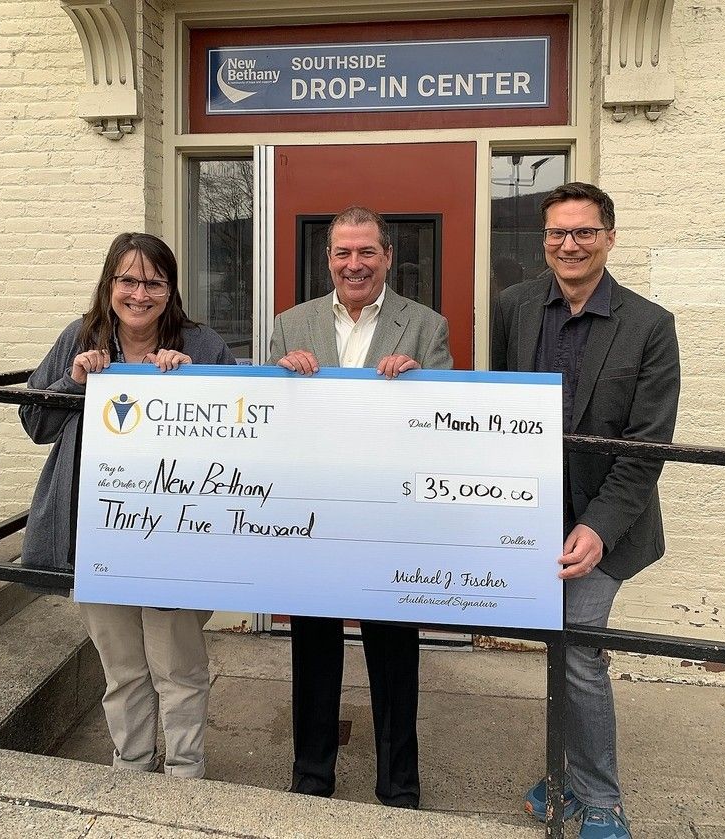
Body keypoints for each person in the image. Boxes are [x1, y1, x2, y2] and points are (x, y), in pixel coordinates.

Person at [492, 183, 681, 839]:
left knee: (575, 650)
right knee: (554, 647)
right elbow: (497, 410)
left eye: (582, 232)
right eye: (555, 234)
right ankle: (564, 770)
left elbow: (647, 446)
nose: (568, 245)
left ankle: (600, 798)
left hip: (607, 522)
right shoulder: (514, 307)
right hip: (530, 518)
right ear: (543, 241)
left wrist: (596, 527)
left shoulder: (650, 325)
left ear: (609, 236)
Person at [20, 232, 236, 779]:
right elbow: (34, 424)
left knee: (178, 666)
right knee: (121, 667)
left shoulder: (203, 345)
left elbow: (237, 436)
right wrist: (72, 385)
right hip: (97, 532)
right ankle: (131, 768)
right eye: (128, 280)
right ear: (109, 285)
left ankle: (185, 774)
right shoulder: (80, 337)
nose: (140, 293)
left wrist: (193, 387)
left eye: (153, 282)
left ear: (171, 290)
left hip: (175, 534)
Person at [269, 206, 452, 809]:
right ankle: (311, 779)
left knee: (395, 657)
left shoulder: (426, 326)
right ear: (328, 260)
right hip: (313, 519)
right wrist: (282, 378)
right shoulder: (289, 325)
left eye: (367, 252)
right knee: (314, 652)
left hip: (388, 522)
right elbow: (268, 425)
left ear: (388, 257)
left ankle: (399, 789)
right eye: (343, 253)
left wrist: (421, 384)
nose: (355, 265)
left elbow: (445, 426)